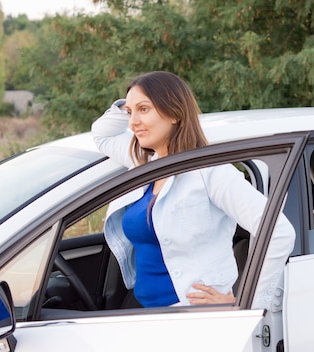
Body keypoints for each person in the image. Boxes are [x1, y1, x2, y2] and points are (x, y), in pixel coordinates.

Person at [91, 71, 295, 309]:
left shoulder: (211, 172)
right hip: (148, 312)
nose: (133, 122)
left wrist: (249, 302)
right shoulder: (144, 163)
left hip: (193, 315)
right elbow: (102, 134)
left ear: (174, 113)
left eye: (144, 110)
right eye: (130, 112)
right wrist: (132, 101)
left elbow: (279, 232)